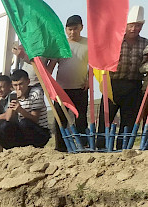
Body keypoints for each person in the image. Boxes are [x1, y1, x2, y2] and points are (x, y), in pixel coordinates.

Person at [99, 6, 148, 147]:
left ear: (141, 26)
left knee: (129, 121)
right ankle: (101, 147)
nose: (134, 29)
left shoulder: (145, 43)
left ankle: (124, 148)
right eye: (131, 25)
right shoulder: (114, 40)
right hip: (112, 85)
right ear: (125, 25)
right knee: (105, 119)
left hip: (134, 86)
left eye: (137, 26)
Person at [47, 15, 89, 152]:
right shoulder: (61, 44)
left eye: (75, 29)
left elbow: (94, 65)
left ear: (81, 28)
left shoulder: (88, 43)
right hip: (61, 90)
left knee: (81, 118)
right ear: (65, 30)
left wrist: (89, 80)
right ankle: (60, 147)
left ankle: (83, 145)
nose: (72, 32)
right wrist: (48, 82)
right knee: (60, 119)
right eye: (69, 29)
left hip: (80, 88)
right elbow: (51, 65)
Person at [0, 69, 50, 149]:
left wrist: (20, 110)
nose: (18, 88)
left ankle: (33, 147)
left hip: (39, 131)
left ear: (28, 82)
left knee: (24, 122)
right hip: (22, 131)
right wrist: (14, 102)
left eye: (21, 84)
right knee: (1, 126)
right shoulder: (13, 94)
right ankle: (13, 149)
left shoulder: (36, 93)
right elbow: (8, 118)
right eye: (15, 85)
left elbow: (35, 119)